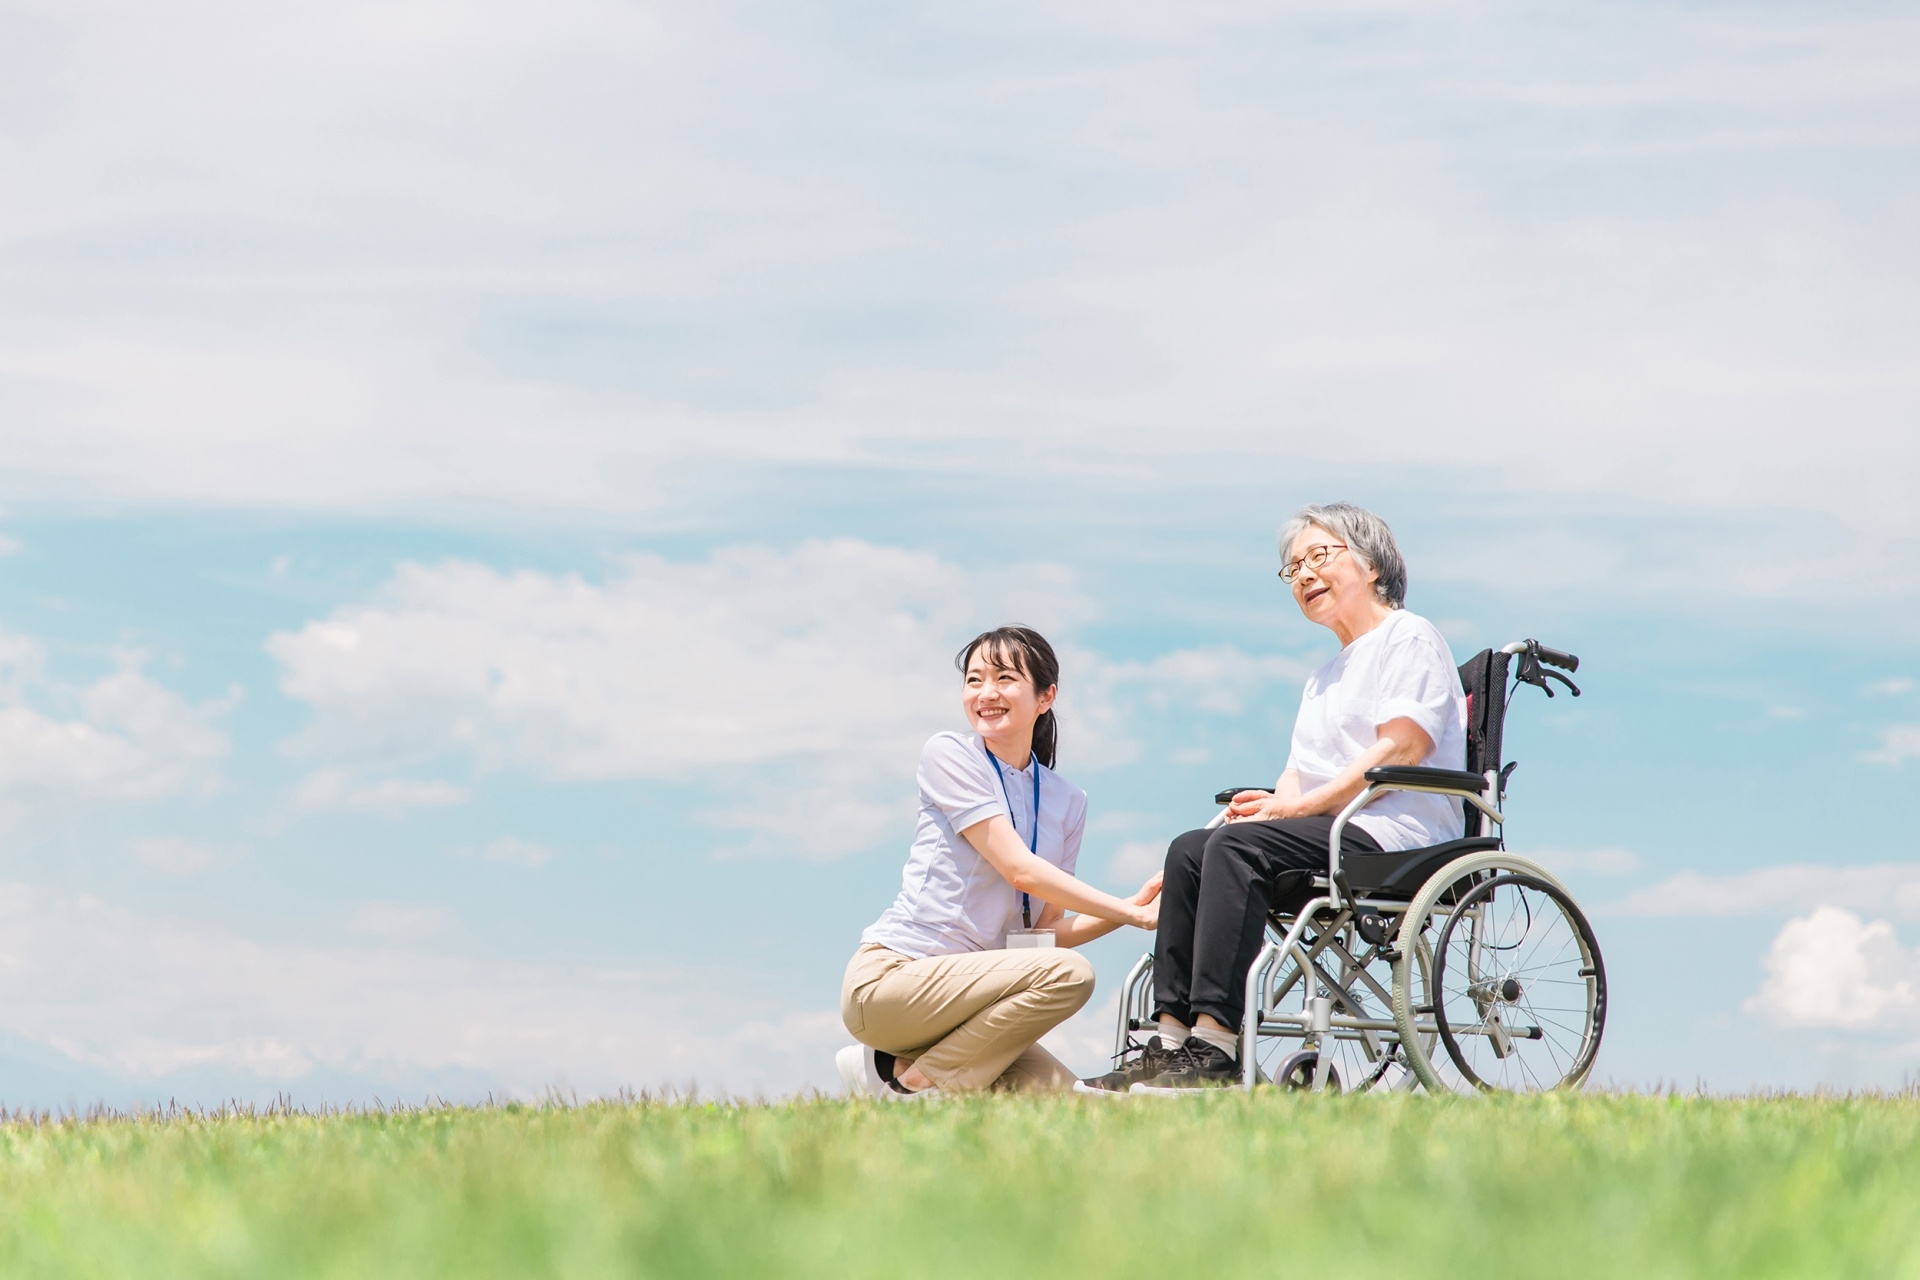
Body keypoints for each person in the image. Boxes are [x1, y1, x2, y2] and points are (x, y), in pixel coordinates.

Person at [1079, 502, 1467, 1093]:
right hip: (1334, 828)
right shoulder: (1323, 676)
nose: (1305, 575)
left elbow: (1403, 749)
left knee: (1236, 850)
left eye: (1320, 556)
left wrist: (1298, 809)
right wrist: (1270, 805)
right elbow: (1298, 777)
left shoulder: (1408, 637)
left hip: (1397, 832)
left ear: (1370, 564)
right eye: (1293, 569)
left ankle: (1216, 1043)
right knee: (1192, 847)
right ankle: (1170, 1040)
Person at [836, 625, 1163, 1097]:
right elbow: (1019, 869)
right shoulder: (949, 754)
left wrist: (1134, 909)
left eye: (1005, 678)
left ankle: (893, 1071)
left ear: (1046, 696)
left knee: (1084, 1107)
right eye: (974, 680)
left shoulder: (1067, 801)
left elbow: (1041, 939)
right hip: (892, 982)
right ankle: (916, 1086)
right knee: (1072, 977)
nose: (986, 693)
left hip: (976, 1003)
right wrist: (1127, 911)